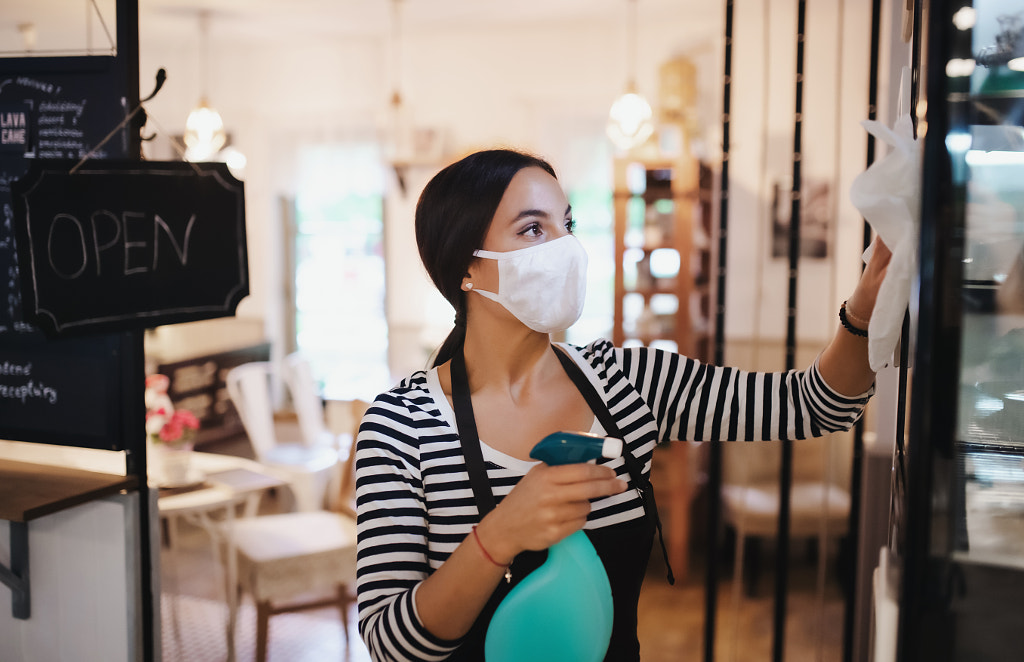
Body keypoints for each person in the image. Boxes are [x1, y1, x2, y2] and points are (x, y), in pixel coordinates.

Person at [355, 148, 890, 661]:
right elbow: (391, 644)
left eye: (568, 224)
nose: (566, 247)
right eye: (533, 229)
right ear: (465, 267)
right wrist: (500, 534)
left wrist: (866, 306)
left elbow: (815, 405)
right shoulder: (402, 426)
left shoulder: (628, 382)